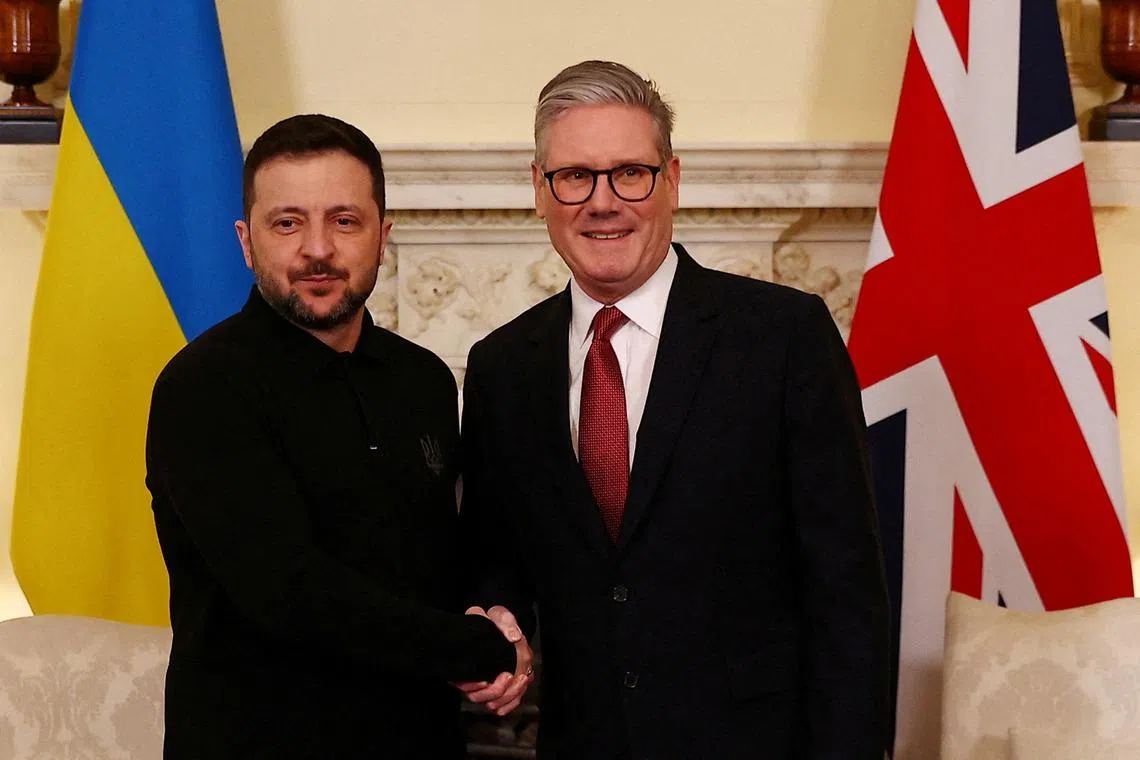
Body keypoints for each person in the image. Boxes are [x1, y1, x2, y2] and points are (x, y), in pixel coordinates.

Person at [456, 61, 890, 759]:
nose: (603, 201)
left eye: (631, 171)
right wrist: (499, 622)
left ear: (673, 178)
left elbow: (847, 593)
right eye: (575, 176)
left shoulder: (784, 339)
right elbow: (498, 558)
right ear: (539, 189)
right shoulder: (502, 365)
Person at [145, 114, 531, 760]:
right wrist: (473, 649)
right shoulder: (202, 387)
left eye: (344, 221)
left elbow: (450, 557)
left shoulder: (426, 382)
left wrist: (498, 615)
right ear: (246, 241)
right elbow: (288, 592)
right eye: (288, 222)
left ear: (384, 237)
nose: (317, 249)